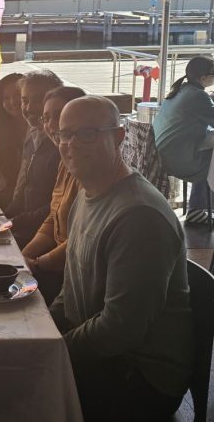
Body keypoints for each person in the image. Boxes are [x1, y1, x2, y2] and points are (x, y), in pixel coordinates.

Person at [50, 96, 193, 421]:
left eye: (86, 133)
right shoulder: (88, 194)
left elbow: (121, 330)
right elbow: (71, 285)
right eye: (64, 134)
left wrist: (54, 352)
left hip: (139, 376)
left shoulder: (139, 216)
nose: (71, 144)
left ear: (118, 136)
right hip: (105, 352)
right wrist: (45, 328)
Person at [22, 86, 85, 305]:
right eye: (46, 117)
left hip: (71, 274)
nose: (51, 125)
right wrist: (24, 255)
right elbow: (53, 216)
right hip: (54, 266)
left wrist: (38, 264)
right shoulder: (65, 160)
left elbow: (80, 240)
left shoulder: (89, 171)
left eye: (59, 115)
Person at [5, 70, 63, 249]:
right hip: (24, 228)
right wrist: (1, 216)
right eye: (25, 100)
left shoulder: (63, 145)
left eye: (38, 100)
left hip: (45, 238)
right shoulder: (31, 136)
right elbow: (22, 189)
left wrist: (15, 221)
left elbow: (57, 206)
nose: (29, 108)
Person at [153, 56, 214, 224]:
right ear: (203, 78)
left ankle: (198, 206)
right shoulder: (197, 96)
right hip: (178, 158)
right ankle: (197, 208)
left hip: (165, 153)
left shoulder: (182, 90)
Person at [0, 73, 25, 209]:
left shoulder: (39, 131)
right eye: (6, 98)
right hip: (5, 193)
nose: (13, 102)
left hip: (24, 202)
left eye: (18, 96)